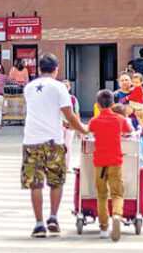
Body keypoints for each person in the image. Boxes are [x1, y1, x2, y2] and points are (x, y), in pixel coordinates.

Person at [21, 53, 87, 238]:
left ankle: (39, 224)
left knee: (36, 184)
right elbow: (69, 114)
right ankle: (53, 217)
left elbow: (40, 111)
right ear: (56, 70)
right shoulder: (60, 87)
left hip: (31, 140)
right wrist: (83, 129)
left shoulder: (29, 87)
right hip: (54, 141)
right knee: (56, 181)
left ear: (39, 69)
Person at [87, 89, 132, 241]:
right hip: (115, 161)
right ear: (113, 104)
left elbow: (88, 131)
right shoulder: (119, 119)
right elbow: (128, 131)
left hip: (99, 161)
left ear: (98, 105)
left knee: (101, 195)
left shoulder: (95, 120)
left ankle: (103, 228)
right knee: (117, 194)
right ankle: (117, 215)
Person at [0, 64, 20, 130]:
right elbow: (12, 81)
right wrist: (20, 84)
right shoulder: (4, 77)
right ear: (0, 69)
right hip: (0, 95)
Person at [61, 79, 81, 169]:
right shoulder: (56, 98)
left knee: (68, 144)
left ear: (69, 88)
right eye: (63, 86)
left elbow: (76, 114)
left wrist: (79, 129)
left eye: (67, 86)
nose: (65, 88)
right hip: (59, 125)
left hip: (71, 125)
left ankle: (67, 166)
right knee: (59, 144)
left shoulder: (73, 99)